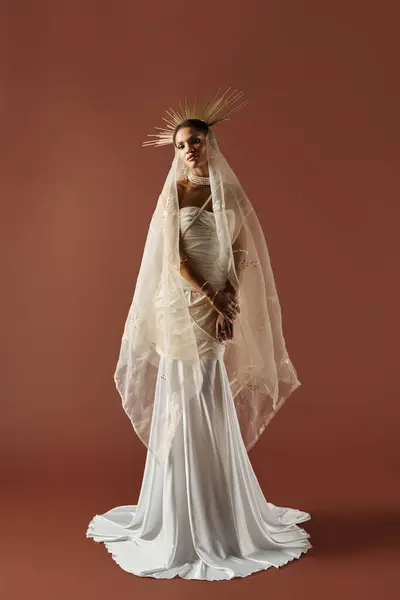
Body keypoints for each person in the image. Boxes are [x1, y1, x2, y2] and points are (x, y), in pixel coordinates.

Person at [86, 89, 312, 580]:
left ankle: (217, 508)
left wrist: (229, 298)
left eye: (197, 141)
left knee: (209, 397)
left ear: (210, 143)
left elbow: (241, 250)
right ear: (176, 151)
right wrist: (213, 299)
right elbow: (178, 261)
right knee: (183, 397)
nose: (190, 150)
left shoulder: (228, 192)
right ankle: (178, 514)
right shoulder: (175, 193)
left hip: (217, 305)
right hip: (185, 305)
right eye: (182, 144)